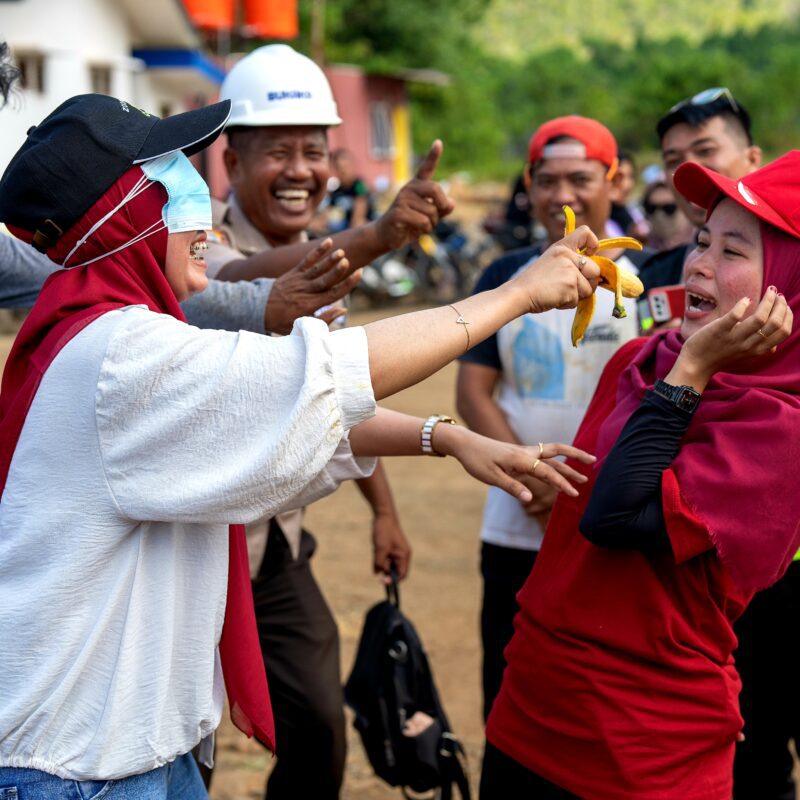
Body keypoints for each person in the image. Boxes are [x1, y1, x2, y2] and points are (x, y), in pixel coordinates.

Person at [0, 93, 600, 799]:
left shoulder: (102, 333)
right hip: (77, 768)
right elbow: (325, 376)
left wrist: (445, 437)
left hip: (131, 745)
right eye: (174, 177)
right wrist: (514, 296)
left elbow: (279, 407)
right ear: (125, 213)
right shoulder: (119, 355)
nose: (199, 206)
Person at [481, 151, 798, 800]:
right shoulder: (639, 357)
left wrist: (691, 373)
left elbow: (614, 517)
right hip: (533, 707)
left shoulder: (782, 426)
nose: (699, 264)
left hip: (643, 749)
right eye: (702, 240)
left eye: (733, 251)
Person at [207, 45, 418, 798]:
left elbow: (341, 395)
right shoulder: (196, 244)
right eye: (279, 152)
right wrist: (374, 236)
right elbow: (233, 278)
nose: (301, 170)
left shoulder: (329, 262)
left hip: (276, 549)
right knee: (185, 742)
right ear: (232, 160)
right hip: (194, 546)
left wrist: (383, 512)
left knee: (320, 727)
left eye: (315, 151)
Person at [456, 115, 650, 721]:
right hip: (517, 522)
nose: (562, 196)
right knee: (510, 694)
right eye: (547, 181)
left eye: (580, 179)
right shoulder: (502, 278)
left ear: (616, 182)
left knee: (607, 702)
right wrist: (534, 481)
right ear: (528, 185)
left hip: (618, 528)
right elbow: (474, 393)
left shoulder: (649, 280)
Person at [644, 87, 797, 800]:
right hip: (712, 568)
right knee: (750, 752)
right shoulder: (668, 281)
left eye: (705, 152)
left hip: (772, 567)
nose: (703, 260)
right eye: (674, 161)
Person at [640, 87, 761, 293]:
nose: (688, 171)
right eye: (673, 160)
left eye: (705, 151)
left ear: (752, 159)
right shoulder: (654, 277)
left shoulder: (791, 259)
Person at [325, 148, 376, 231]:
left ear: (352, 165)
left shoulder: (359, 185)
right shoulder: (336, 192)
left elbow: (358, 217)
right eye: (340, 168)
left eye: (346, 167)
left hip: (359, 230)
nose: (344, 171)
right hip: (344, 229)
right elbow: (327, 214)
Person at [641, 179, 694, 253]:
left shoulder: (700, 247)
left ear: (684, 208)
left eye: (668, 208)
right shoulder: (641, 249)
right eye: (651, 208)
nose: (659, 215)